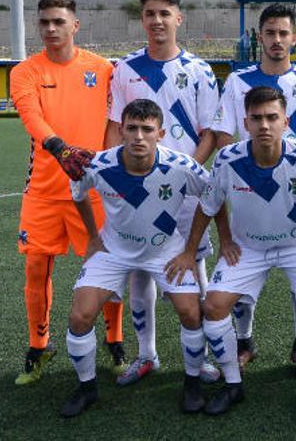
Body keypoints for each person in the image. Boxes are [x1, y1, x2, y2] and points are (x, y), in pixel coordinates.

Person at [167, 86, 296, 419]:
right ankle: (233, 384)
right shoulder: (229, 158)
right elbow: (208, 205)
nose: (264, 125)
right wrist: (193, 251)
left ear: (285, 121)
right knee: (215, 306)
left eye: (272, 117)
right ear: (245, 123)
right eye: (257, 118)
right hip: (248, 245)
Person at [60, 99, 210, 417]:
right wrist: (93, 237)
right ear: (121, 131)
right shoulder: (99, 165)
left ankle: (193, 383)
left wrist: (189, 249)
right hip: (113, 251)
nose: (139, 136)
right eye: (132, 128)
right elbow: (78, 192)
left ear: (161, 133)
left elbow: (213, 200)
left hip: (165, 251)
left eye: (147, 129)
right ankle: (87, 389)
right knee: (80, 316)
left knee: (191, 313)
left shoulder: (182, 166)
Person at [105, 0, 220, 386]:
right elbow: (115, 128)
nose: (157, 20)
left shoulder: (200, 70)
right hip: (135, 189)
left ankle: (202, 356)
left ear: (178, 18)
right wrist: (112, 180)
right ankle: (147, 355)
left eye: (164, 13)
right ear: (143, 19)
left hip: (183, 192)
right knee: (139, 273)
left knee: (194, 269)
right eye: (150, 13)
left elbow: (209, 132)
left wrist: (185, 173)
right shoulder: (124, 68)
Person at [214, 3, 296, 376]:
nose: (277, 40)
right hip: (252, 185)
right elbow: (224, 135)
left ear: (294, 38)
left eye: (284, 33)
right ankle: (244, 340)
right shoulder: (238, 81)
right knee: (241, 278)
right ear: (260, 37)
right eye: (270, 32)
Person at [10, 0, 125, 386]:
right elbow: (32, 116)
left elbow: (117, 118)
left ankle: (115, 340)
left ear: (75, 25)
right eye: (44, 22)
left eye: (59, 22)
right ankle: (38, 346)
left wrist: (108, 162)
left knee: (106, 265)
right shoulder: (25, 71)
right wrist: (61, 149)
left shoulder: (103, 68)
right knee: (36, 267)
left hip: (93, 190)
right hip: (43, 190)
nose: (51, 29)